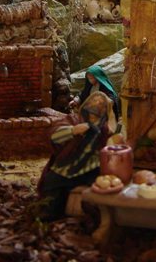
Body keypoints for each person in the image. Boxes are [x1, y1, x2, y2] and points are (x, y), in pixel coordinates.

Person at [38, 91, 123, 221]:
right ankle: (50, 211)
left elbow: (113, 136)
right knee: (52, 182)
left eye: (101, 104)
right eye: (94, 102)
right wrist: (73, 130)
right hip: (69, 163)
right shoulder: (74, 119)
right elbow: (54, 136)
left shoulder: (103, 128)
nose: (97, 105)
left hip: (91, 166)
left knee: (101, 186)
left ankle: (95, 214)